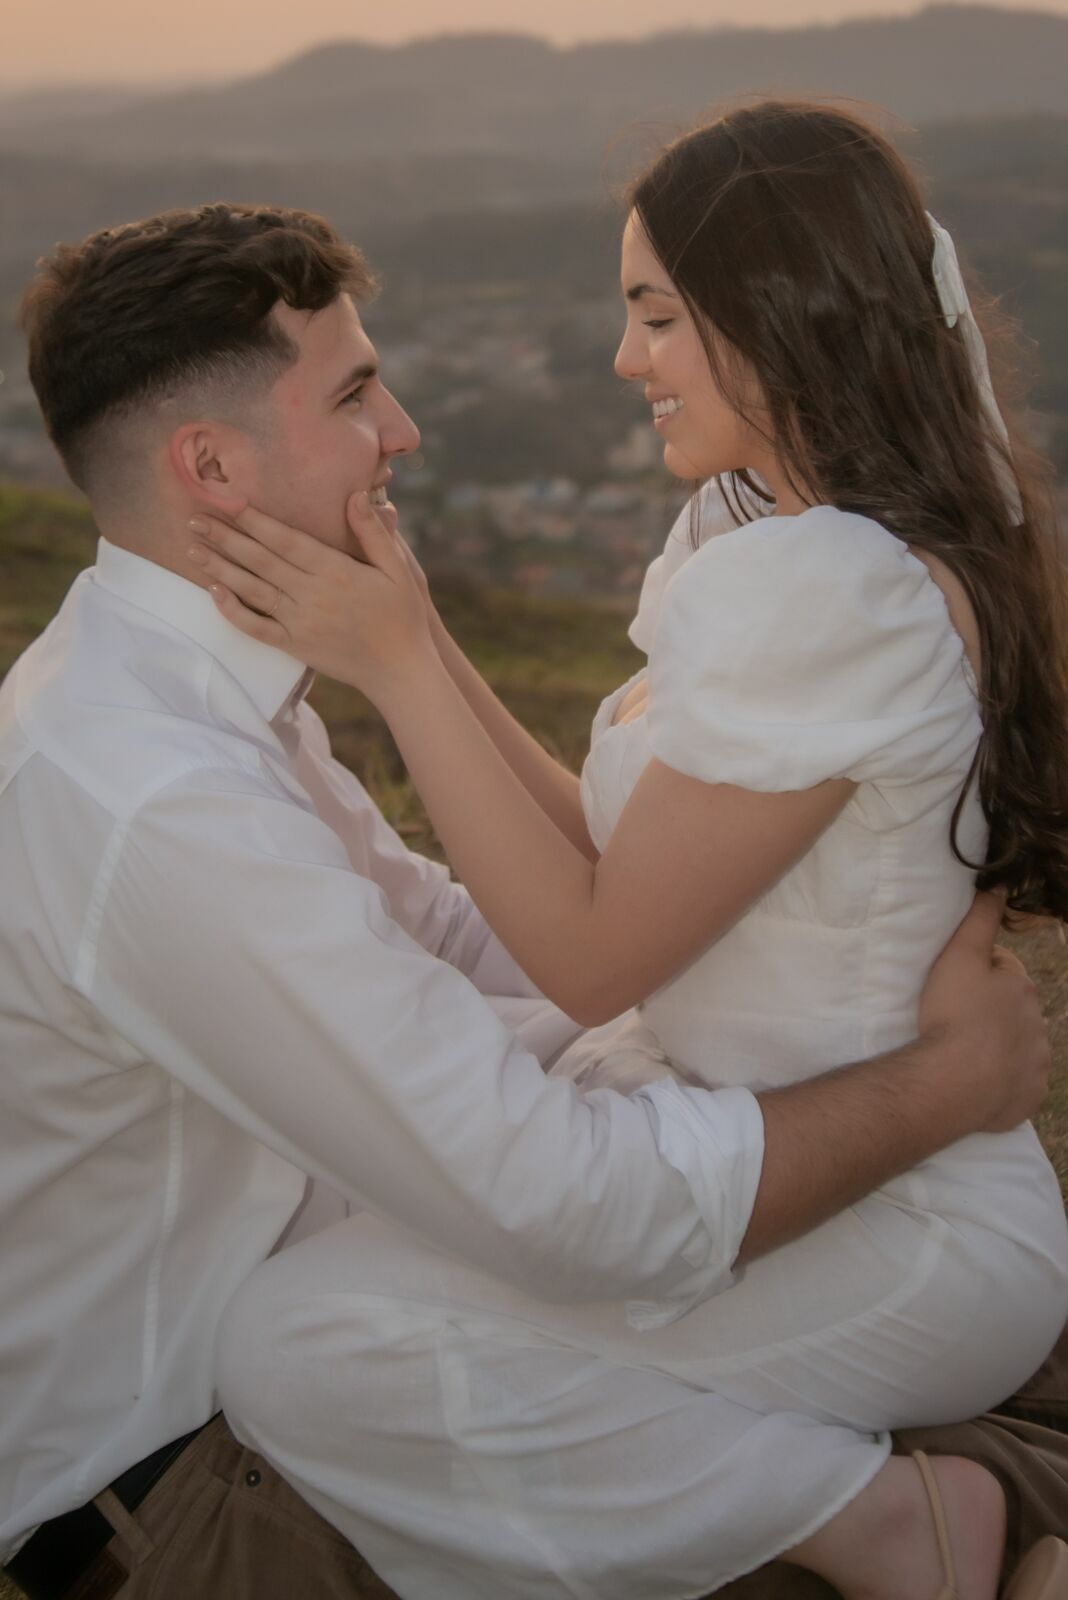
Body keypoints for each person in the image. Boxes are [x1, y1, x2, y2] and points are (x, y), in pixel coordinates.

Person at [0, 200, 1052, 1600]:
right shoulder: (154, 797)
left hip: (356, 1290)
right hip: (194, 1476)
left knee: (874, 1279)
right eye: (358, 393)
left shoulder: (180, 688)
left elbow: (430, 931)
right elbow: (565, 1208)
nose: (405, 432)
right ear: (213, 467)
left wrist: (700, 962)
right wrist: (940, 1085)